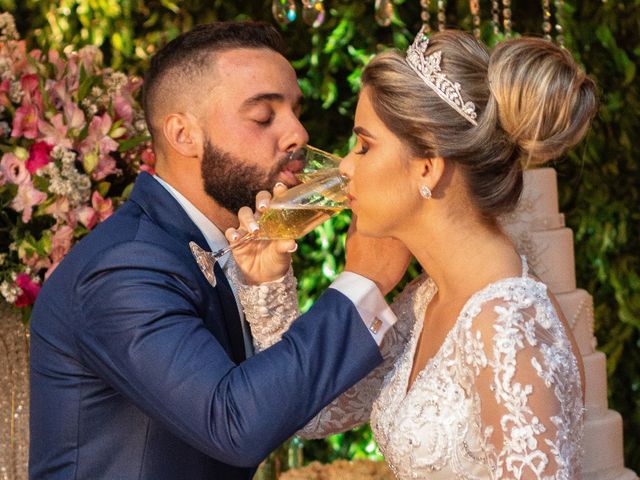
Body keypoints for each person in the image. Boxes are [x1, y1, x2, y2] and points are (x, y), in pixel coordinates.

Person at [28, 22, 412, 479]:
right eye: (264, 117)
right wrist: (363, 281)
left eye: (293, 111)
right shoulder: (126, 267)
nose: (298, 133)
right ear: (183, 135)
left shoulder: (217, 246)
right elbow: (234, 423)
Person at [229, 28, 598, 478]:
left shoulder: (509, 324)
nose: (345, 166)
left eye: (364, 146)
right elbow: (312, 412)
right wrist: (268, 283)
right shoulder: (427, 300)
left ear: (429, 164)